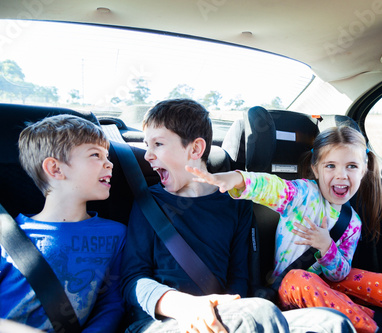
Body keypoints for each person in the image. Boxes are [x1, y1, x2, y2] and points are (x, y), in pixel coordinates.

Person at [188, 125, 382, 333]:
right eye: (331, 166)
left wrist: (326, 246)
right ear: (315, 169)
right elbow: (269, 187)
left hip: (331, 284)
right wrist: (235, 179)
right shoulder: (300, 195)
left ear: (364, 171)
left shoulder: (352, 222)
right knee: (302, 279)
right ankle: (369, 328)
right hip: (289, 287)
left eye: (351, 166)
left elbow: (340, 273)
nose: (341, 174)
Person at [120, 99, 356, 333]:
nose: (148, 155)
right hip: (164, 321)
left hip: (225, 316)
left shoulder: (235, 205)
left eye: (157, 144)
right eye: (146, 145)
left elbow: (239, 278)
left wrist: (232, 310)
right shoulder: (149, 204)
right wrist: (184, 306)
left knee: (333, 322)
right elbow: (133, 279)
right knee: (260, 314)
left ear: (195, 149)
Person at [0, 115, 127, 332]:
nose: (109, 163)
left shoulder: (116, 235)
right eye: (95, 154)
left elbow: (111, 302)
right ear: (55, 169)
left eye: (107, 155)